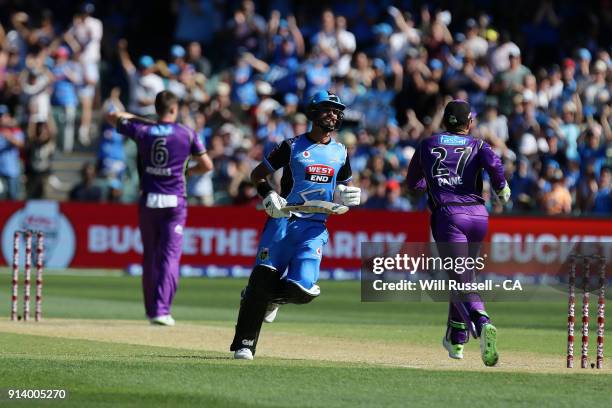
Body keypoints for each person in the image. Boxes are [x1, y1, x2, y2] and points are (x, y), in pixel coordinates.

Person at [230, 90, 360, 360]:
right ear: (312, 112)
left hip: (315, 227)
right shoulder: (291, 146)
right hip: (283, 221)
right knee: (263, 276)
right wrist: (268, 195)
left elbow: (345, 186)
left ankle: (265, 298)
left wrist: (350, 194)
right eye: (326, 109)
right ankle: (245, 344)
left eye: (336, 111)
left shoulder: (341, 152)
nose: (332, 115)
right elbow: (257, 175)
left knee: (303, 290)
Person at [406, 99, 510, 367]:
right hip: (478, 216)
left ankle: (481, 321)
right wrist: (501, 188)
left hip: (449, 217)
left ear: (444, 122)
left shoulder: (429, 144)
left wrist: (431, 182)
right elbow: (495, 164)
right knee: (463, 276)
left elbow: (413, 183)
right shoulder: (478, 144)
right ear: (470, 123)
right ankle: (457, 338)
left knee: (460, 278)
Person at [106, 90, 213, 326]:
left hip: (149, 200)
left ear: (157, 110)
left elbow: (112, 115)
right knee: (170, 258)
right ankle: (162, 310)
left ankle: (152, 310)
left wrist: (146, 121)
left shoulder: (144, 130)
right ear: (174, 109)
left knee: (150, 257)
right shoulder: (187, 132)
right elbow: (206, 165)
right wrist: (189, 171)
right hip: (175, 201)